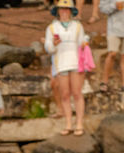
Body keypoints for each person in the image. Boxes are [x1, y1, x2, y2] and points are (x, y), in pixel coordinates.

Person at [45, 0, 88, 136]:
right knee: (64, 94)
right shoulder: (51, 28)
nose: (64, 11)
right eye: (61, 9)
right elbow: (48, 48)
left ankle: (79, 123)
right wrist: (54, 44)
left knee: (77, 93)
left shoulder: (77, 26)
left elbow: (82, 41)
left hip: (76, 63)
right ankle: (68, 123)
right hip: (61, 63)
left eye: (67, 9)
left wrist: (85, 43)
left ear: (71, 11)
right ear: (57, 11)